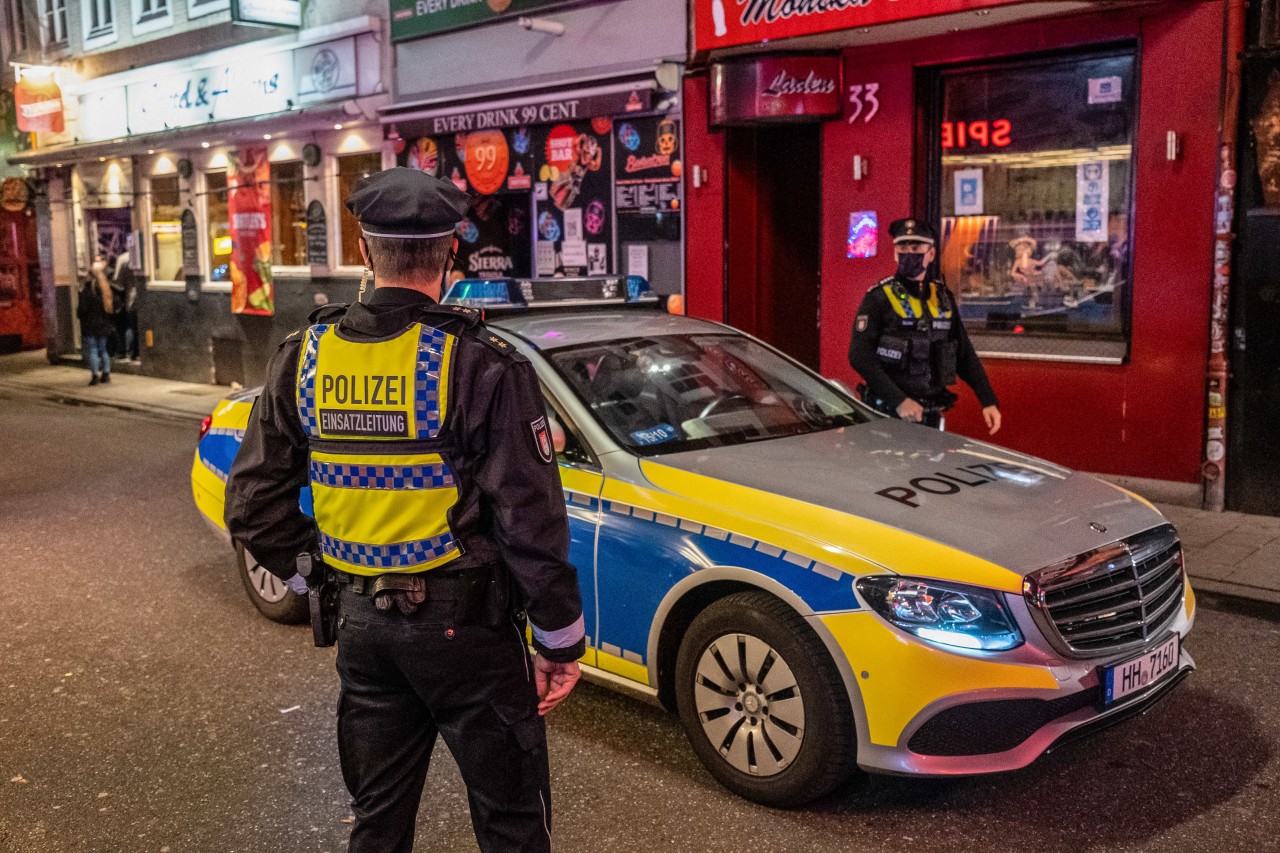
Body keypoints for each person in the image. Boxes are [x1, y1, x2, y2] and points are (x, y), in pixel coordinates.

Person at [223, 167, 585, 853]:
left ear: (365, 253)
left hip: (366, 632)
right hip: (471, 632)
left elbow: (252, 506)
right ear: (450, 254)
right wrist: (559, 640)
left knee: (378, 822)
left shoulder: (305, 357)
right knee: (512, 825)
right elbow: (530, 523)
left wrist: (317, 578)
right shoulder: (481, 364)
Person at [848, 218, 1001, 434]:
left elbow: (964, 354)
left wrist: (988, 400)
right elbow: (859, 355)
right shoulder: (879, 297)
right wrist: (899, 401)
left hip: (929, 412)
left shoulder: (943, 298)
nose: (909, 253)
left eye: (916, 247)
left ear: (930, 253)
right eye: (902, 247)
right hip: (886, 412)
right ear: (894, 253)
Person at [77, 256, 114, 386]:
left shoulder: (87, 292)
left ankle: (95, 376)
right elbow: (110, 309)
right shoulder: (106, 291)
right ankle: (106, 374)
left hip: (90, 326)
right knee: (103, 350)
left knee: (93, 350)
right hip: (104, 325)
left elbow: (81, 311)